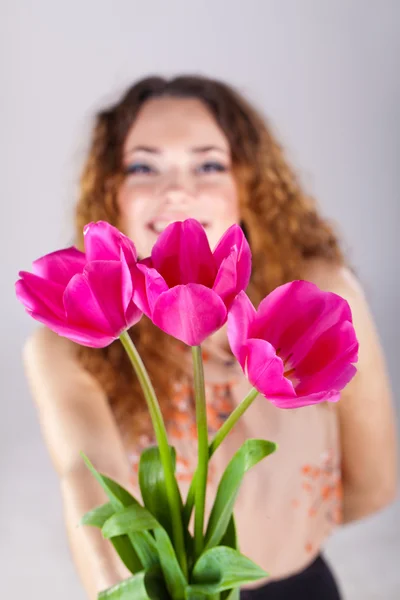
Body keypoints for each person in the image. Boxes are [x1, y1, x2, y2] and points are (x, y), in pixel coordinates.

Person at [22, 75, 397, 600]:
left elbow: (374, 484)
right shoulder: (70, 346)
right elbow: (86, 481)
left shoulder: (321, 296)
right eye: (143, 166)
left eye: (209, 164)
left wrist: (288, 544)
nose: (177, 189)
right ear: (112, 190)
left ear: (250, 184)